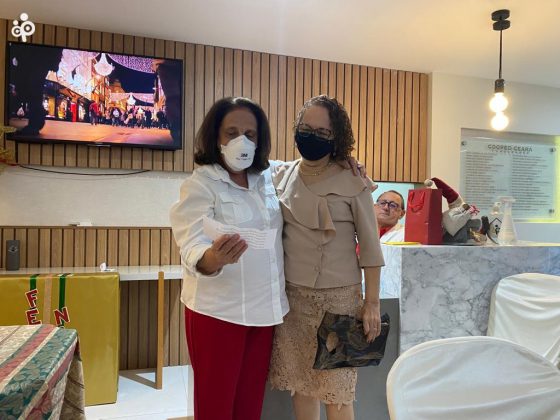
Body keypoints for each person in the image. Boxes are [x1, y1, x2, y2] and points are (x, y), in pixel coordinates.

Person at [169, 97, 289, 420]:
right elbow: (190, 243)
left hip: (264, 314)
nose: (242, 142)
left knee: (250, 407)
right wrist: (213, 258)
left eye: (250, 134)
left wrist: (346, 165)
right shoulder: (201, 183)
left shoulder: (268, 177)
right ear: (216, 137)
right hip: (218, 313)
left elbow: (306, 170)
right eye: (232, 133)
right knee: (216, 408)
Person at [268, 95, 385, 420]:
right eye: (306, 129)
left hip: (340, 301)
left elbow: (371, 246)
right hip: (294, 301)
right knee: (302, 386)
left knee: (337, 392)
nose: (312, 137)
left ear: (336, 137)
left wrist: (372, 303)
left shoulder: (353, 180)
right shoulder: (282, 175)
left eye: (322, 132)